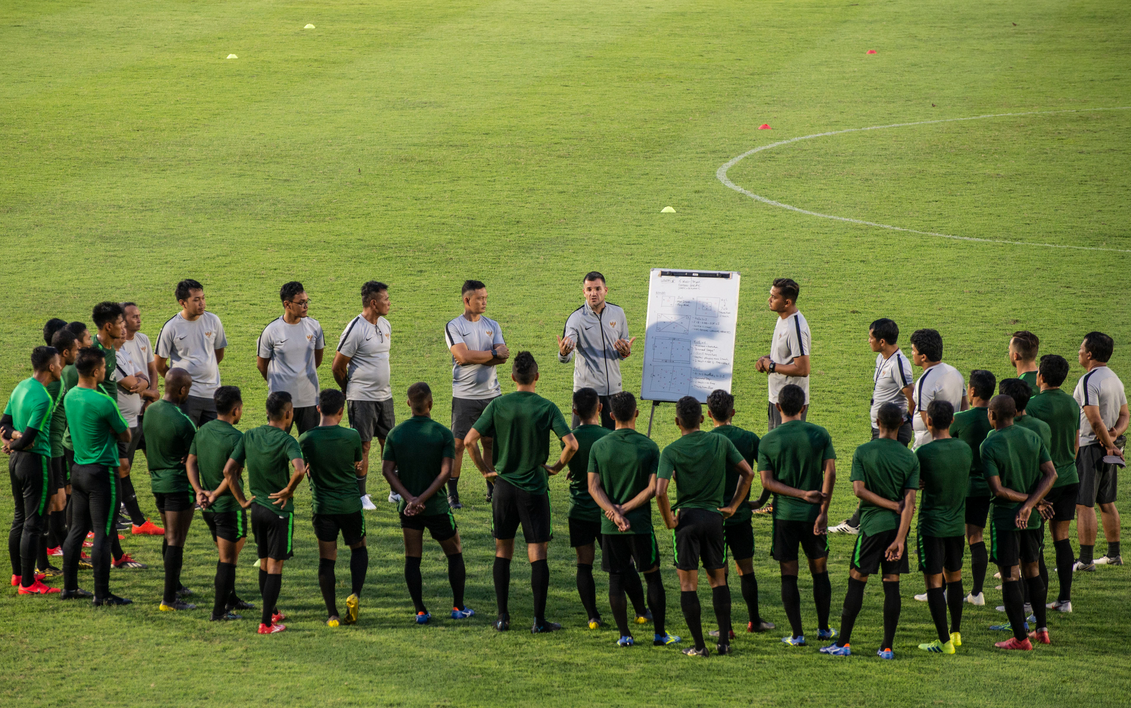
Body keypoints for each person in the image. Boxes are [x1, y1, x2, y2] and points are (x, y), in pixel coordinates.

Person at [464, 352, 577, 634]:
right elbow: (572, 444)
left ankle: (503, 617)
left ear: (512, 377)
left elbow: (469, 441)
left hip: (502, 488)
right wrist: (555, 467)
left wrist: (485, 471)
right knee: (537, 553)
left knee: (503, 551)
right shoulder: (546, 407)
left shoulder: (498, 405)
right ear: (536, 377)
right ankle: (539, 621)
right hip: (535, 489)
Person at [656, 396, 755, 658]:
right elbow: (749, 473)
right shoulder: (721, 441)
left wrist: (669, 521)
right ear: (702, 418)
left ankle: (699, 646)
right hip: (714, 520)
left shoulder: (671, 450)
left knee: (688, 585)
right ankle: (723, 642)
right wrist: (733, 506)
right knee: (718, 580)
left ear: (677, 421)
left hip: (686, 521)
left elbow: (660, 491)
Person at [821, 402, 918, 659]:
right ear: (901, 424)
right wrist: (900, 538)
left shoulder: (863, 451)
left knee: (857, 579)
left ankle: (843, 643)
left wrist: (888, 505)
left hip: (872, 528)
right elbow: (909, 504)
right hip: (898, 530)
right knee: (891, 583)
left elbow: (859, 491)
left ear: (877, 422)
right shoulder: (910, 457)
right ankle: (886, 647)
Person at [587, 391, 680, 648]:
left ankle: (624, 635)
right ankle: (660, 634)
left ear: (611, 415)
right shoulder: (649, 447)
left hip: (609, 527)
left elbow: (593, 487)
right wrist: (626, 510)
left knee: (616, 579)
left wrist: (614, 513)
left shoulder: (599, 446)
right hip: (640, 525)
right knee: (652, 577)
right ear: (636, 413)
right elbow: (653, 489)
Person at [383, 383, 474, 624]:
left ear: (408, 404)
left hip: (409, 510)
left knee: (413, 557)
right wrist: (423, 499)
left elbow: (387, 470)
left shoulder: (396, 434)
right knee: (454, 552)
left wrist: (410, 499)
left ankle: (420, 610)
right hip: (436, 507)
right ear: (430, 404)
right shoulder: (443, 434)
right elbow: (446, 473)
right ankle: (458, 607)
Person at [564, 388, 652, 630]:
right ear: (601, 409)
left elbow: (574, 467)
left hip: (579, 511)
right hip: (606, 514)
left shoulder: (571, 437)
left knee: (584, 564)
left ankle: (593, 616)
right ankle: (641, 611)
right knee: (622, 566)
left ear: (574, 411)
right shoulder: (606, 437)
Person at [757, 384, 837, 648]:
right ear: (803, 408)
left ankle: (797, 634)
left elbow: (768, 482)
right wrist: (823, 510)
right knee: (819, 570)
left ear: (778, 407)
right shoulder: (819, 434)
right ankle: (824, 629)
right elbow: (831, 473)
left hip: (785, 517)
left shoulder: (768, 440)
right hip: (815, 516)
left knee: (788, 573)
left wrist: (798, 495)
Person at [222, 392, 307, 634]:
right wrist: (288, 490)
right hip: (278, 511)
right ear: (288, 414)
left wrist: (242, 499)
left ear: (267, 412)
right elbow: (299, 470)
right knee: (275, 566)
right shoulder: (287, 441)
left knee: (264, 563)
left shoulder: (249, 435)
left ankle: (271, 612)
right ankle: (266, 623)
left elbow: (229, 471)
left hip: (257, 508)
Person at [982, 395, 1058, 650]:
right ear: (1014, 412)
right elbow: (1051, 474)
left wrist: (1026, 504)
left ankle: (1020, 639)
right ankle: (1042, 630)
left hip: (1006, 519)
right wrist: (1034, 503)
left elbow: (998, 490)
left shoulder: (989, 444)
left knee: (1010, 575)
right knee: (1033, 570)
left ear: (992, 415)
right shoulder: (1032, 436)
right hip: (1033, 519)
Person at [61, 347, 132, 605]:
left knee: (77, 529)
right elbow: (126, 435)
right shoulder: (104, 401)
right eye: (103, 368)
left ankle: (69, 588)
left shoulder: (70, 396)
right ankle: (102, 594)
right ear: (94, 371)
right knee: (104, 532)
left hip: (78, 470)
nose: (105, 371)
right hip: (102, 472)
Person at [830, 318, 913, 535]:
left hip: (893, 429)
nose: (868, 341)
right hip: (880, 427)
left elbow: (911, 397)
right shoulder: (882, 358)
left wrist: (907, 423)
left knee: (877, 476)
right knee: (879, 475)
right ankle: (864, 520)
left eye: (871, 337)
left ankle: (857, 523)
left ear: (883, 341)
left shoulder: (899, 364)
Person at [705, 389, 774, 636]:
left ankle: (726, 629)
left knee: (719, 574)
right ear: (732, 412)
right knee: (746, 570)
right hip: (741, 516)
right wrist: (758, 501)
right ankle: (754, 621)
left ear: (708, 413)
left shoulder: (705, 441)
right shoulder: (749, 438)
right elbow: (768, 477)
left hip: (713, 517)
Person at [300, 389, 369, 627]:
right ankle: (355, 594)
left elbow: (304, 467)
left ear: (318, 408)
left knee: (326, 559)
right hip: (350, 505)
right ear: (341, 411)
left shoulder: (306, 439)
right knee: (359, 548)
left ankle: (332, 614)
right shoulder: (351, 436)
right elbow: (358, 467)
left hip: (323, 508)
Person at [189, 386, 253, 622]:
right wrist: (215, 493)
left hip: (208, 508)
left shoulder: (202, 431)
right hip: (229, 506)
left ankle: (231, 598)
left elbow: (191, 462)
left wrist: (199, 491)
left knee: (228, 557)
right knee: (228, 560)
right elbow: (232, 474)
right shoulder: (238, 437)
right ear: (236, 410)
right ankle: (219, 612)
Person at [2, 346, 63, 594]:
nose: (61, 367)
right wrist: (17, 443)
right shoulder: (43, 398)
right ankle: (29, 583)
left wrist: (12, 442)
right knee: (33, 524)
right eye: (58, 363)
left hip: (16, 464)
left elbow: (4, 424)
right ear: (50, 367)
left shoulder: (21, 386)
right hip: (36, 463)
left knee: (19, 519)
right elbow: (30, 438)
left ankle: (18, 575)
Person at [912, 401, 971, 654]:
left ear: (928, 422)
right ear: (952, 421)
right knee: (955, 576)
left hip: (932, 527)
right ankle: (956, 633)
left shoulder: (923, 454)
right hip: (957, 526)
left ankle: (944, 642)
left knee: (934, 582)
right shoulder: (965, 450)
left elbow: (914, 485)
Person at [1026, 355, 1081, 611]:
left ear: (1041, 377)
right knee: (1062, 538)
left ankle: (1032, 599)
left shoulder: (1033, 405)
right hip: (1070, 477)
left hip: (1044, 482)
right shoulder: (1072, 403)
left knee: (1035, 540)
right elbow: (1075, 444)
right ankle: (1065, 600)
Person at [446, 280, 509, 505]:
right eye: (479, 298)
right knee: (458, 444)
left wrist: (475, 356)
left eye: (485, 298)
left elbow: (503, 358)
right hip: (464, 395)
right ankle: (452, 493)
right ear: (466, 300)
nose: (484, 302)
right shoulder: (454, 326)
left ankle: (491, 487)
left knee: (490, 442)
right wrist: (491, 352)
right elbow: (462, 356)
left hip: (492, 394)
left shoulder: (493, 324)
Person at [333, 281, 395, 511]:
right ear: (373, 302)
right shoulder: (355, 329)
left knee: (389, 443)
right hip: (362, 398)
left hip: (384, 396)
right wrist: (348, 390)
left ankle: (395, 491)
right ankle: (361, 495)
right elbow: (337, 366)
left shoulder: (386, 324)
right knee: (364, 446)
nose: (389, 302)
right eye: (385, 299)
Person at [142, 368, 199, 612]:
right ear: (182, 389)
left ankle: (174, 585)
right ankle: (169, 599)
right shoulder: (183, 421)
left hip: (157, 483)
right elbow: (194, 458)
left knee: (169, 535)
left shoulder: (150, 410)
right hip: (178, 485)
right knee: (176, 538)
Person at [1072, 332, 1127, 570]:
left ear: (1090, 354)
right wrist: (1114, 435)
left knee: (1085, 504)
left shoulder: (1089, 380)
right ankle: (1114, 555)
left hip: (1090, 447)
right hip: (1108, 448)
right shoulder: (1114, 379)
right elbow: (1125, 415)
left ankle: (1085, 560)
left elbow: (1094, 420)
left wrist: (1108, 442)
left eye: (1081, 348)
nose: (1079, 352)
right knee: (1106, 501)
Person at [557, 272, 636, 429]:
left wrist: (625, 351)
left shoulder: (618, 313)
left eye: (598, 289)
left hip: (613, 390)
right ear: (584, 292)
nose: (593, 293)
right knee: (579, 439)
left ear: (605, 290)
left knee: (613, 441)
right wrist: (564, 353)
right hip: (586, 392)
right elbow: (566, 353)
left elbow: (624, 344)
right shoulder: (576, 319)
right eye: (589, 289)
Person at [950, 369, 996, 606]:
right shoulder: (995, 419)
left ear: (973, 390)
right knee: (976, 536)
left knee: (955, 536)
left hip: (960, 488)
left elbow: (946, 443)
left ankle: (951, 589)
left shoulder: (960, 419)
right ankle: (977, 593)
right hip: (985, 487)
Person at [118, 302, 164, 536]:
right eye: (132, 316)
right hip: (125, 417)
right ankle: (121, 512)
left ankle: (161, 501)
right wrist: (148, 391)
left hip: (143, 411)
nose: (138, 319)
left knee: (155, 455)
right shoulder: (114, 351)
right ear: (120, 322)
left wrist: (149, 397)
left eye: (139, 315)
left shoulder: (143, 340)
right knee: (123, 464)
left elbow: (150, 372)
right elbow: (132, 383)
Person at [156, 279, 228, 426]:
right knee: (186, 441)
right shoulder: (171, 327)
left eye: (203, 298)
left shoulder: (213, 321)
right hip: (188, 397)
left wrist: (207, 368)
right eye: (196, 300)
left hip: (212, 393)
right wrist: (179, 384)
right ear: (183, 303)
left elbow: (219, 353)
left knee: (213, 440)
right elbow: (159, 364)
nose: (202, 303)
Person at [257, 281, 325, 435]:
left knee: (311, 446)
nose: (306, 306)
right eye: (301, 303)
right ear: (287, 304)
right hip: (281, 401)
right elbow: (262, 365)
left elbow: (317, 359)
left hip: (309, 398)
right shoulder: (271, 331)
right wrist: (278, 383)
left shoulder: (314, 327)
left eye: (307, 301)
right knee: (277, 444)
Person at [42, 328, 79, 564]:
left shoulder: (61, 377)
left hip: (56, 447)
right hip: (50, 448)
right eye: (76, 349)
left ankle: (61, 551)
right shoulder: (56, 382)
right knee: (49, 504)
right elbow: (42, 414)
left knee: (59, 501)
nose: (79, 353)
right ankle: (48, 559)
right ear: (66, 352)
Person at [755, 278, 810, 430]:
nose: (769, 299)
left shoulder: (795, 328)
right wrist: (766, 359)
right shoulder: (782, 319)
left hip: (790, 405)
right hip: (777, 397)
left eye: (774, 297)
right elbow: (786, 355)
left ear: (787, 303)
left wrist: (771, 366)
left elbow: (803, 369)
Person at [909, 329, 966, 450]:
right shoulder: (955, 372)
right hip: (951, 442)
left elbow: (926, 420)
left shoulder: (925, 381)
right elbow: (965, 407)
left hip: (928, 445)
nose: (912, 354)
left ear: (923, 357)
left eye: (913, 350)